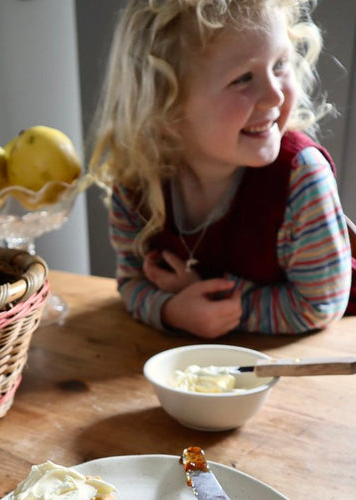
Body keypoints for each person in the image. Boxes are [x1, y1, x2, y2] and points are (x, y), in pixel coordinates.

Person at [89, 0, 355, 338]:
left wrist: (219, 299)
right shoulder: (136, 180)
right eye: (244, 78)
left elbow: (320, 305)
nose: (274, 96)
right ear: (166, 109)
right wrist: (172, 311)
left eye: (280, 65)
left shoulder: (302, 176)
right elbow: (131, 282)